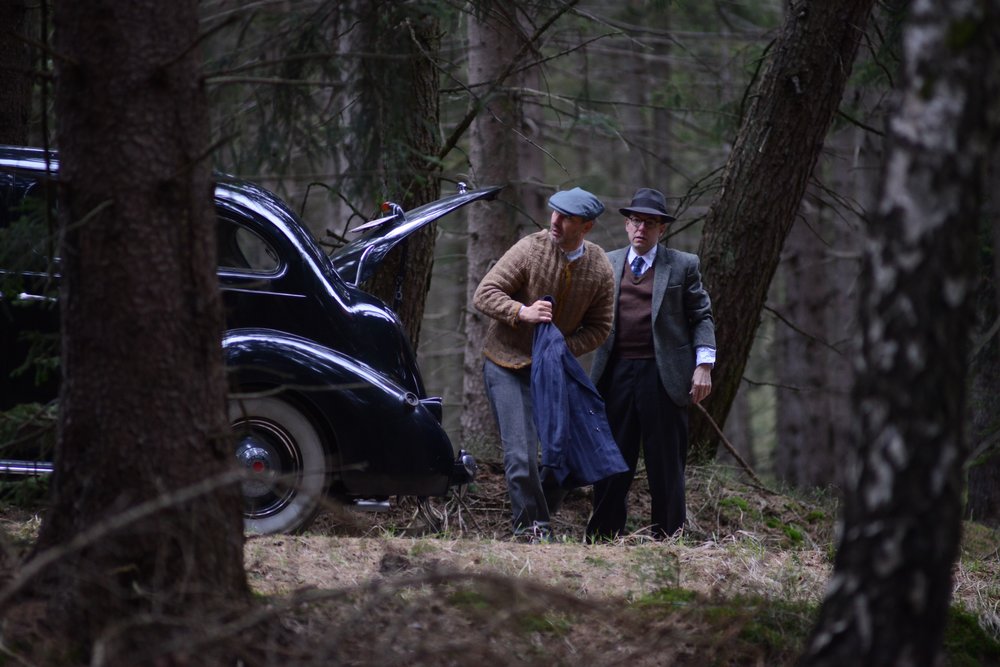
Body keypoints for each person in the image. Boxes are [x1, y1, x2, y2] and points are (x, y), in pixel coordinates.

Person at [473, 187, 615, 541]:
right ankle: (530, 529)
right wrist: (523, 312)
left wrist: (562, 347)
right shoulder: (530, 249)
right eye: (554, 212)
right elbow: (485, 293)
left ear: (587, 227)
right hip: (507, 363)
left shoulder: (599, 267)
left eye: (566, 217)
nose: (555, 221)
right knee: (521, 458)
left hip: (553, 370)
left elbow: (601, 327)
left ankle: (541, 518)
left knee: (564, 458)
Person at [586, 187, 716, 541]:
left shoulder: (682, 265)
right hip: (615, 375)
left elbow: (702, 316)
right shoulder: (606, 262)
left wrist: (703, 365)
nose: (641, 228)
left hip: (664, 378)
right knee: (612, 461)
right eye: (635, 221)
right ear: (627, 226)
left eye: (650, 223)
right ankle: (602, 540)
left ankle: (668, 541)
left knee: (665, 466)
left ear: (662, 229)